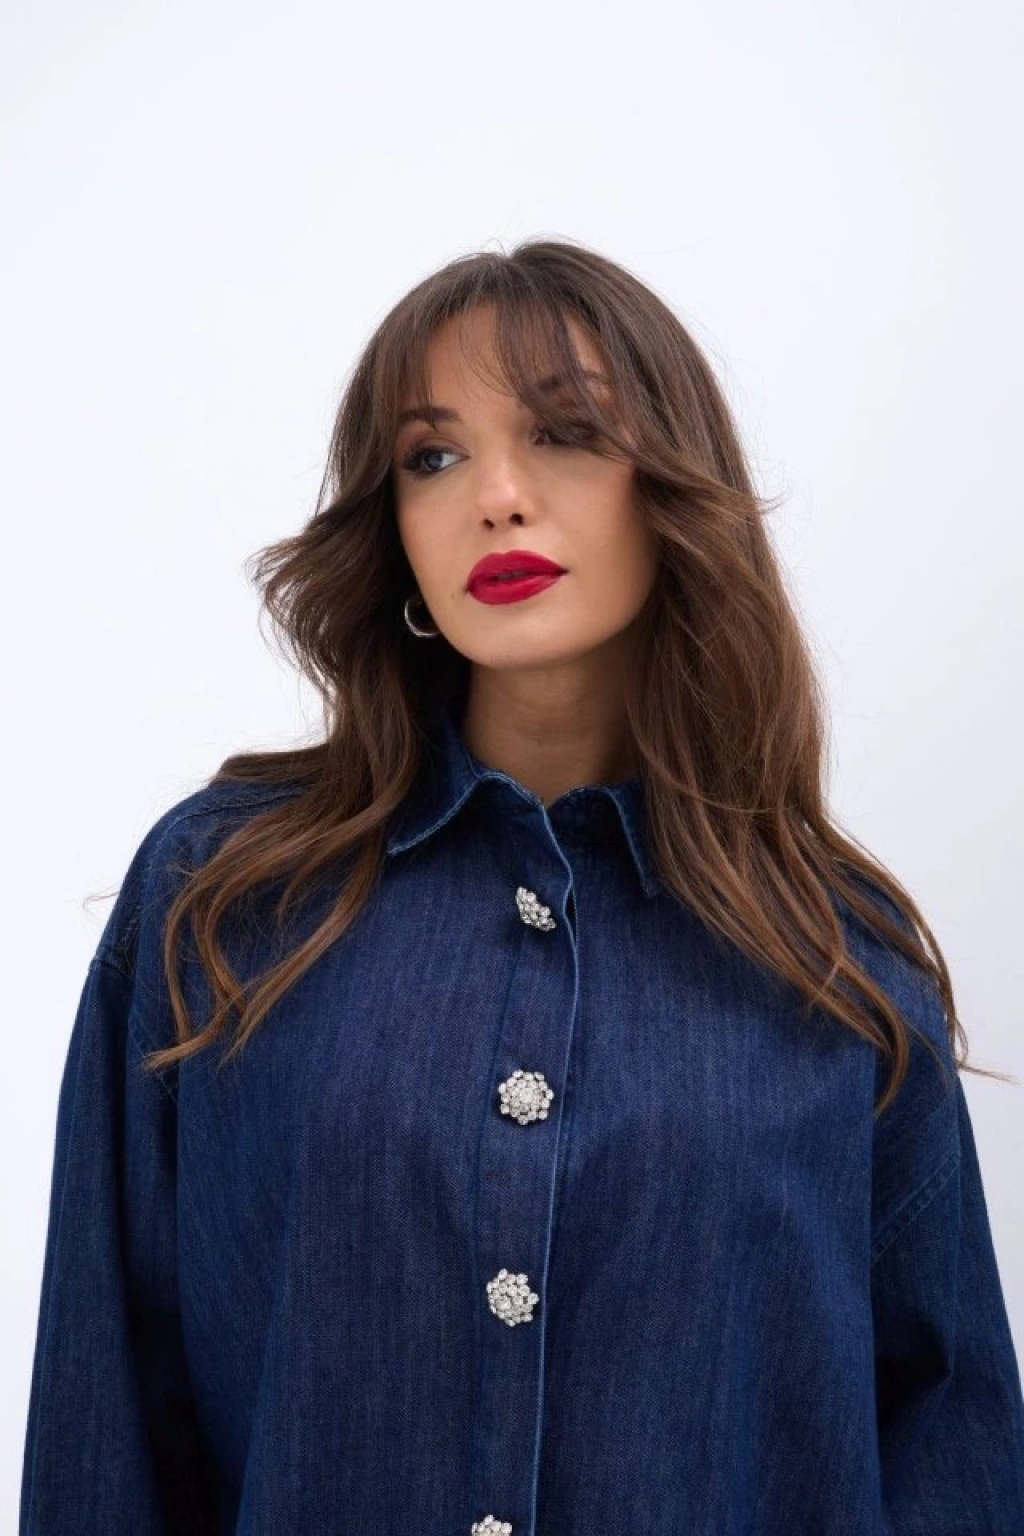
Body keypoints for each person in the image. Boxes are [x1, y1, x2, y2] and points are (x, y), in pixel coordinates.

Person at [19, 238, 1024, 1535]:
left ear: (672, 485)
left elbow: (952, 1464)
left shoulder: (834, 962)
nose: (495, 497)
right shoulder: (225, 901)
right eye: (432, 458)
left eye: (565, 432)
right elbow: (104, 1422)